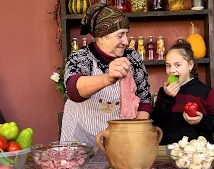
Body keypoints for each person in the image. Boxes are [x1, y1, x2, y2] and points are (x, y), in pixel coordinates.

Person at [60, 3, 152, 145]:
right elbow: (73, 91)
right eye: (120, 35)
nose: (126, 41)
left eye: (126, 34)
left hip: (117, 139)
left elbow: (145, 100)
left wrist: (136, 135)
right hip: (80, 139)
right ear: (101, 36)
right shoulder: (81, 57)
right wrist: (108, 78)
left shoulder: (132, 57)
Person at [150, 40, 214, 145]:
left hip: (197, 151)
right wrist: (167, 97)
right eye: (168, 65)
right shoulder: (164, 92)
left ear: (190, 65)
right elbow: (156, 122)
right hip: (168, 149)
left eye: (177, 65)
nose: (171, 70)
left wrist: (202, 120)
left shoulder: (207, 92)